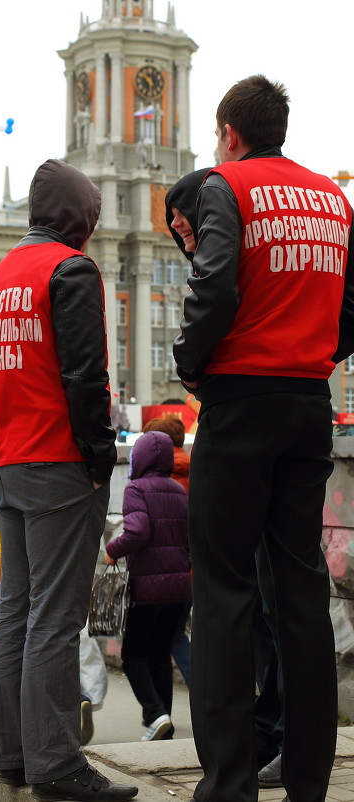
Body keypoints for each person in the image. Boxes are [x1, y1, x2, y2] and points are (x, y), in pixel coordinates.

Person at [172, 74, 354, 802]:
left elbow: (213, 286)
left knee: (223, 591)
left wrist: (194, 366)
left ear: (230, 133)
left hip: (240, 399)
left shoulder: (226, 186)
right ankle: (310, 778)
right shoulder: (334, 199)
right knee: (302, 588)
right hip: (309, 403)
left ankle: (229, 783)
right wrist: (316, 354)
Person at [0, 158, 137, 802]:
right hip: (58, 461)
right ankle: (57, 762)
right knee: (56, 615)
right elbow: (85, 377)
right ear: (79, 216)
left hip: (8, 458)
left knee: (13, 611)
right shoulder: (69, 270)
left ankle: (15, 754)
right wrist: (99, 459)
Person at [165, 167, 284, 773]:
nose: (185, 241)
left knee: (248, 596)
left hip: (243, 413)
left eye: (186, 228)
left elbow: (214, 296)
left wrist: (192, 365)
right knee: (277, 597)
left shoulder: (228, 223)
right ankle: (283, 743)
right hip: (289, 405)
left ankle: (244, 755)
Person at [0, 530, 108, 745]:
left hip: (16, 603)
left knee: (15, 658)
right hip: (53, 598)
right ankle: (78, 699)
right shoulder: (59, 526)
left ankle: (19, 736)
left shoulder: (9, 528)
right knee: (52, 652)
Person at [104, 431, 191, 741]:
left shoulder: (136, 489)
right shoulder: (179, 491)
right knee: (159, 654)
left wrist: (112, 550)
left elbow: (138, 532)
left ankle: (155, 714)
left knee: (133, 655)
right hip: (180, 588)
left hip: (149, 587)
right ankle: (160, 726)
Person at [142, 413, 192, 685]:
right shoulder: (197, 468)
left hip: (164, 571)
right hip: (195, 566)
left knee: (165, 637)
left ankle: (158, 711)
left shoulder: (157, 478)